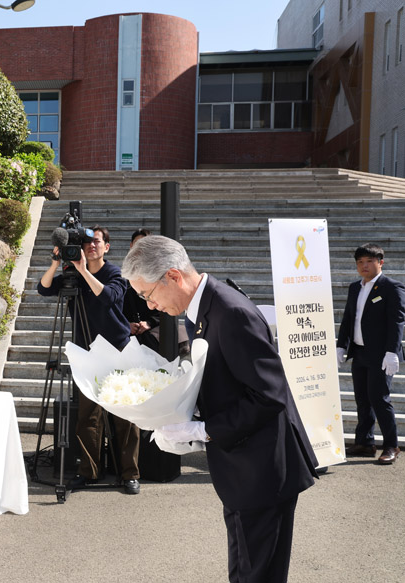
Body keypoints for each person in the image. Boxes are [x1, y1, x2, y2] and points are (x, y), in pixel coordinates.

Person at [122, 235, 318, 583]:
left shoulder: (232, 313)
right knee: (244, 569)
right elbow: (225, 381)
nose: (150, 306)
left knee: (257, 574)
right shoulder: (199, 311)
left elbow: (269, 395)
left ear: (172, 276)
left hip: (263, 471)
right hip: (242, 469)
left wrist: (203, 431)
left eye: (148, 295)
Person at [37, 226, 141, 494]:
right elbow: (44, 289)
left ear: (107, 247)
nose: (91, 246)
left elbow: (108, 297)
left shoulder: (115, 273)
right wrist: (56, 263)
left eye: (96, 242)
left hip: (118, 350)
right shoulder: (72, 274)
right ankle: (89, 472)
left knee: (125, 415)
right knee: (88, 418)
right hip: (88, 352)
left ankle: (130, 474)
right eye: (87, 243)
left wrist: (83, 271)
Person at [336, 243, 405, 464]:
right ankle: (365, 443)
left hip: (381, 355)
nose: (364, 266)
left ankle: (391, 445)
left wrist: (392, 352)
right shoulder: (355, 287)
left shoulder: (391, 287)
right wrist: (341, 346)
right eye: (360, 262)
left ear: (380, 262)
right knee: (362, 400)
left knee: (379, 399)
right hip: (360, 352)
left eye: (369, 262)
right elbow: (349, 319)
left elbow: (397, 322)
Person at [123, 229, 162, 352]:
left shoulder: (159, 273)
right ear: (131, 246)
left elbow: (167, 308)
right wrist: (127, 325)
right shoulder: (124, 275)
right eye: (137, 243)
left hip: (155, 332)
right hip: (130, 331)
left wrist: (149, 323)